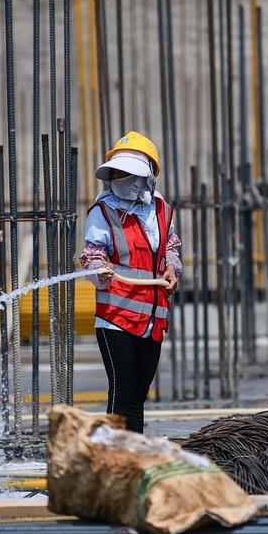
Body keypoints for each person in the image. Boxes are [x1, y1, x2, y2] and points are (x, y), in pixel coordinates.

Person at [79, 131, 181, 433]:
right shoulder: (104, 211)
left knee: (138, 396)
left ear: (148, 175)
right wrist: (98, 268)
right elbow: (91, 254)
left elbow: (170, 246)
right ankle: (113, 461)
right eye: (118, 172)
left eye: (130, 172)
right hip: (116, 318)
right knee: (121, 392)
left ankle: (133, 458)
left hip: (152, 318)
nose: (123, 177)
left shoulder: (162, 211)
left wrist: (172, 268)